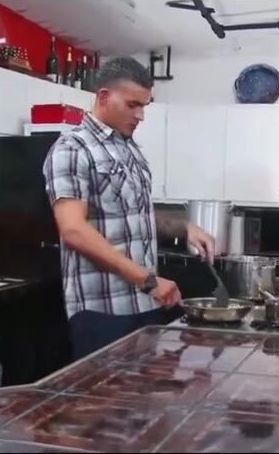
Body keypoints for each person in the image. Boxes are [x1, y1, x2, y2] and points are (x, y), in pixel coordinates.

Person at [44, 57, 215, 360]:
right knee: (104, 392)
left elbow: (133, 215)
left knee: (145, 390)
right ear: (104, 96)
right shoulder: (73, 148)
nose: (141, 115)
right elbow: (73, 230)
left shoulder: (129, 148)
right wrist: (148, 280)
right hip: (102, 312)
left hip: (145, 304)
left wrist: (184, 227)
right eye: (133, 105)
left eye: (144, 106)